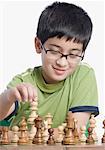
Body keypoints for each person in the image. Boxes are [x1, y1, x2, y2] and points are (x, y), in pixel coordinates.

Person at [0, 2, 99, 135]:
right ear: (38, 45)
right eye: (54, 51)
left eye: (74, 54)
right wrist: (9, 96)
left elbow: (74, 131)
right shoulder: (24, 81)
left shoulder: (83, 75)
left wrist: (21, 135)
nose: (62, 62)